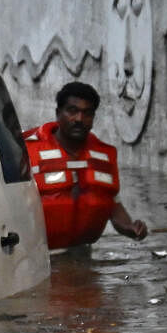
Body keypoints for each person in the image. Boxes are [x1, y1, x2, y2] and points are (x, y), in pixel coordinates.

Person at [23, 81, 147, 250]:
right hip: (38, 256)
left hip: (83, 254)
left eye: (87, 113)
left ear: (93, 118)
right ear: (58, 113)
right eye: (72, 111)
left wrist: (129, 227)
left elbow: (111, 203)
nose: (79, 119)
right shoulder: (26, 152)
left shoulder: (103, 156)